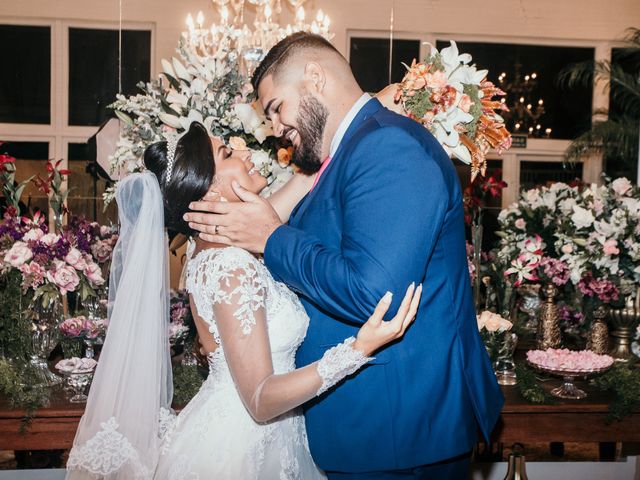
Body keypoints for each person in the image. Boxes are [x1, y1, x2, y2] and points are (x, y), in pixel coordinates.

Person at [184, 32, 504, 479]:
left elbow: (376, 293)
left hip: (396, 431)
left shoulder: (389, 148)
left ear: (315, 78)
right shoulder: (349, 152)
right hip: (359, 427)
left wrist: (273, 239)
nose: (274, 129)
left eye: (277, 108)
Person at [65, 121, 421, 480]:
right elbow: (261, 400)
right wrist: (357, 350)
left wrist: (359, 121)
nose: (246, 152)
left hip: (263, 436)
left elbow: (293, 191)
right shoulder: (231, 266)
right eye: (227, 153)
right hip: (241, 449)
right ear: (207, 196)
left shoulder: (211, 244)